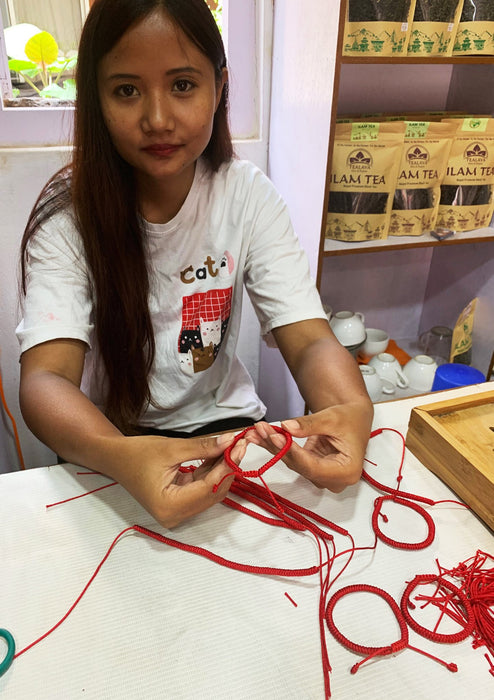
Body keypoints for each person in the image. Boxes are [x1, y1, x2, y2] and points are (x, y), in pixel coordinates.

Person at [17, 0, 373, 528]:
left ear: (220, 86)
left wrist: (353, 409)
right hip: (115, 444)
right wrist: (122, 456)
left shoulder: (246, 194)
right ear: (95, 98)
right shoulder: (67, 217)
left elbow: (310, 341)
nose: (158, 119)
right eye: (126, 90)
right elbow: (46, 378)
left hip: (227, 432)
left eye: (183, 85)